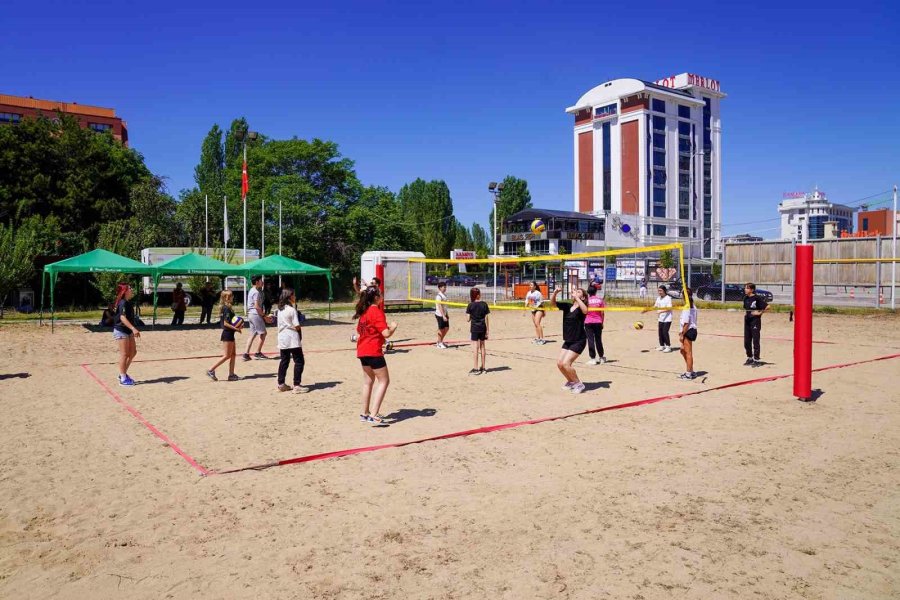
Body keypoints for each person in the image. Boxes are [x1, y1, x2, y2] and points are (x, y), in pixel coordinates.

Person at [354, 286, 397, 424]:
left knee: (368, 382)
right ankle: (373, 414)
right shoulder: (376, 312)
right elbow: (386, 333)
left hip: (362, 350)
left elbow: (362, 331)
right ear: (376, 297)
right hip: (373, 351)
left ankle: (365, 413)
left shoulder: (364, 311)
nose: (382, 296)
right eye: (381, 294)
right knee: (384, 381)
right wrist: (393, 327)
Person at [550, 286, 589, 393]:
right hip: (568, 340)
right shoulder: (568, 306)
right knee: (560, 364)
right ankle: (571, 382)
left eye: (579, 292)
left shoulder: (581, 308)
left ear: (583, 297)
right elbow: (552, 304)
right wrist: (555, 293)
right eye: (576, 291)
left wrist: (577, 298)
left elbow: (585, 311)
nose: (576, 292)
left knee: (566, 364)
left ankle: (579, 384)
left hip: (579, 340)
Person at [207, 290, 242, 381]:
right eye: (231, 296)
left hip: (229, 333)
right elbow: (226, 323)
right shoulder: (226, 308)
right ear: (226, 298)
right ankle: (211, 370)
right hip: (227, 333)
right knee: (227, 355)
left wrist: (238, 325)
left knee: (233, 354)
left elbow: (230, 322)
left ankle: (231, 375)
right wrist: (236, 329)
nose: (232, 297)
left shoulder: (226, 307)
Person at [275, 287, 305, 394]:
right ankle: (297, 385)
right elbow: (297, 325)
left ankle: (281, 384)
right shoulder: (292, 310)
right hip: (292, 337)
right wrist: (300, 335)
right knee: (299, 361)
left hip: (282, 337)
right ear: (289, 296)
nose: (295, 297)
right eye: (293, 295)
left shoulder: (279, 310)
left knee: (284, 361)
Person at [112, 283, 140, 386]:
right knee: (124, 354)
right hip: (121, 330)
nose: (132, 290)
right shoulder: (122, 302)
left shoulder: (127, 302)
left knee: (133, 352)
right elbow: (122, 318)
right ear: (125, 291)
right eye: (130, 288)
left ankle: (122, 374)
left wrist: (132, 329)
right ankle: (123, 379)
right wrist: (133, 328)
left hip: (128, 330)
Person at [242, 275, 268, 361]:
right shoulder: (256, 292)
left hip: (251, 314)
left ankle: (246, 354)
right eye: (261, 280)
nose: (262, 282)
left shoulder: (252, 290)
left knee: (252, 334)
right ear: (257, 282)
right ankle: (258, 353)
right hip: (255, 314)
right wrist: (264, 316)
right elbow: (256, 306)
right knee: (263, 333)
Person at [743, 282, 769, 366]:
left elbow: (768, 307)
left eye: (747, 288)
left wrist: (760, 313)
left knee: (755, 340)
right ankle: (750, 357)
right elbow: (747, 308)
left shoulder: (757, 298)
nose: (745, 289)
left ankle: (756, 359)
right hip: (747, 320)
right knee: (747, 341)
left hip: (755, 321)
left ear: (752, 290)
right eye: (745, 288)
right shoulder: (745, 298)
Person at [465, 287, 490, 375]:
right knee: (482, 347)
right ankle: (483, 368)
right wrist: (488, 330)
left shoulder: (470, 305)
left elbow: (468, 319)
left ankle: (475, 368)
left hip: (475, 328)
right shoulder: (484, 304)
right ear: (478, 295)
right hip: (483, 327)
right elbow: (486, 318)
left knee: (475, 348)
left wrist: (470, 314)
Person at [642, 285, 673, 352]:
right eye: (658, 291)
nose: (659, 292)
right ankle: (662, 346)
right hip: (661, 318)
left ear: (664, 291)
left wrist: (661, 311)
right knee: (660, 333)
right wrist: (647, 310)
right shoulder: (658, 298)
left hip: (667, 319)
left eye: (661, 291)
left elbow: (669, 308)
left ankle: (668, 347)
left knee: (665, 332)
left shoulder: (668, 298)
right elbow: (655, 307)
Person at [678, 287, 699, 379]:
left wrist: (682, 335)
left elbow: (686, 323)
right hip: (690, 330)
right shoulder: (692, 305)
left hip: (688, 331)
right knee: (682, 351)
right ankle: (691, 371)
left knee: (688, 353)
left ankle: (688, 374)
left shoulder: (687, 307)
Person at [584, 283, 607, 365]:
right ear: (596, 291)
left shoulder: (586, 301)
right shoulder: (600, 300)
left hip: (588, 322)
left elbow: (584, 312)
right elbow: (602, 313)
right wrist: (602, 322)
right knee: (598, 340)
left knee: (590, 340)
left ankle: (592, 359)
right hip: (598, 322)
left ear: (588, 292)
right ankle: (601, 357)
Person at [434, 281, 450, 349]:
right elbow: (439, 306)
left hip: (444, 314)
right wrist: (443, 316)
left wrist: (447, 314)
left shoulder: (444, 295)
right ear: (440, 288)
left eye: (445, 287)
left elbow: (445, 306)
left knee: (447, 328)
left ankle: (440, 341)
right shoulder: (439, 296)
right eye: (444, 287)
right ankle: (439, 343)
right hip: (439, 314)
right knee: (441, 329)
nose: (445, 288)